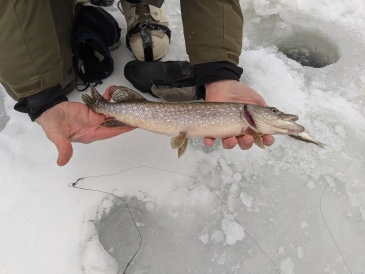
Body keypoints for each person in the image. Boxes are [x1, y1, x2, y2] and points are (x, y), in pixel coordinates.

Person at [0, 0, 274, 166]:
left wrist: (218, 69)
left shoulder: (245, 115)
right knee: (57, 76)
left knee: (145, 48)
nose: (277, 115)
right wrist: (40, 94)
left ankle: (142, 3)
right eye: (273, 113)